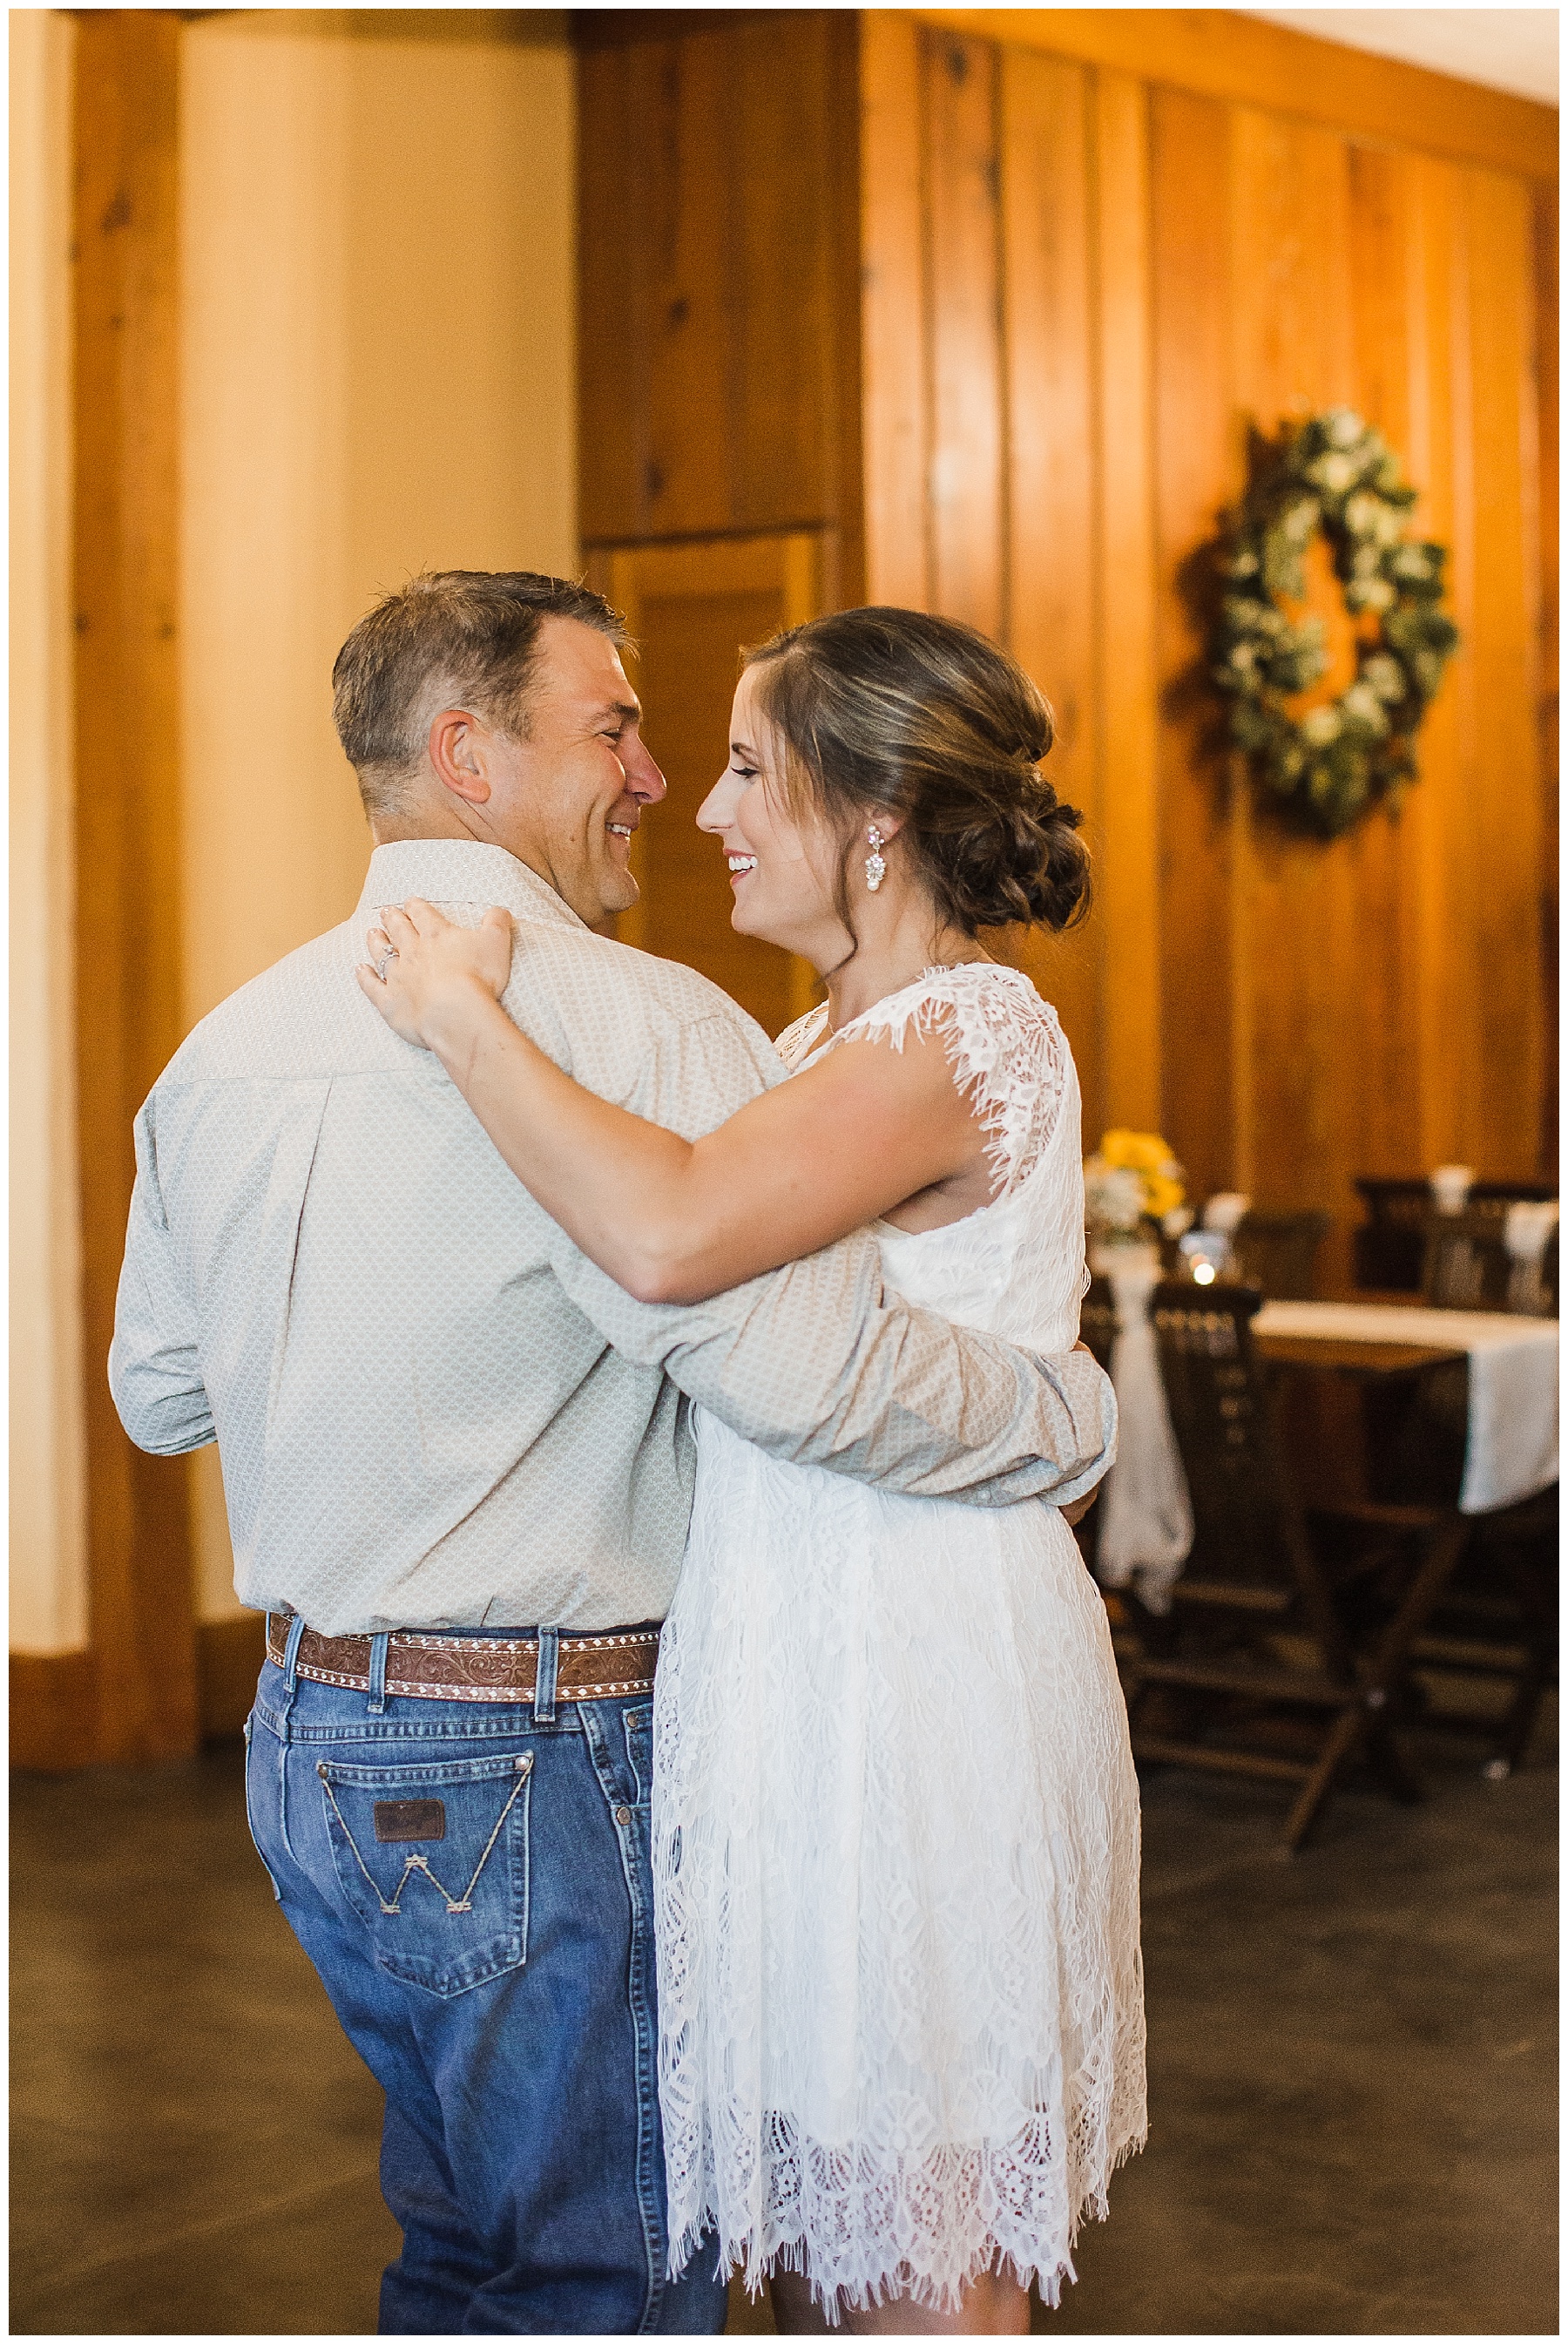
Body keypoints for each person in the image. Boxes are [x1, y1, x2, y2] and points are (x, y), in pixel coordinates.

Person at [108, 572, 1118, 2337]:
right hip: (542, 1751)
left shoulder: (216, 1055)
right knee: (590, 2273)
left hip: (308, 1744)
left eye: (714, 755)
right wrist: (1064, 1416)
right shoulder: (660, 1030)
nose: (662, 782)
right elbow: (790, 1364)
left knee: (467, 2244)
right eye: (618, 731)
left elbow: (160, 1395)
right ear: (466, 756)